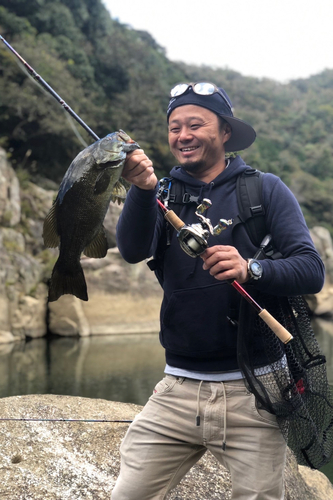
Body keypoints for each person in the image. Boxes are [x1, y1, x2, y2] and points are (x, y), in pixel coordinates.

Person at [111, 83, 325, 500]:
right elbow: (133, 251)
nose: (183, 135)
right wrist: (141, 189)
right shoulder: (162, 193)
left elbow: (311, 270)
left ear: (225, 132)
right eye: (175, 127)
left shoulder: (265, 190)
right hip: (176, 388)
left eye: (195, 124)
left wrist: (252, 268)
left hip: (257, 392)